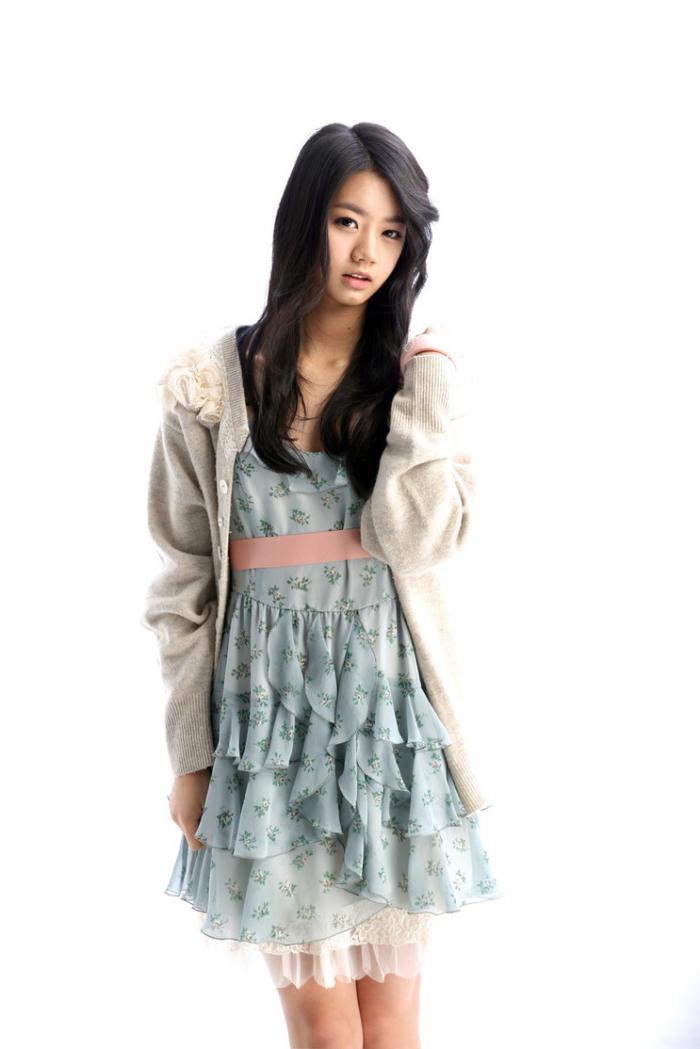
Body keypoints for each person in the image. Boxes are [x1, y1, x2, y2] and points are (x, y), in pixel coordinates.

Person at [141, 121, 503, 1049]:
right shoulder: (212, 385)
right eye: (347, 221)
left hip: (387, 726)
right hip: (266, 730)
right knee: (323, 1027)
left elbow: (414, 540)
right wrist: (190, 754)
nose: (367, 252)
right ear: (305, 220)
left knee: (392, 1022)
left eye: (391, 232)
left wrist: (428, 391)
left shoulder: (413, 379)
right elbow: (183, 583)